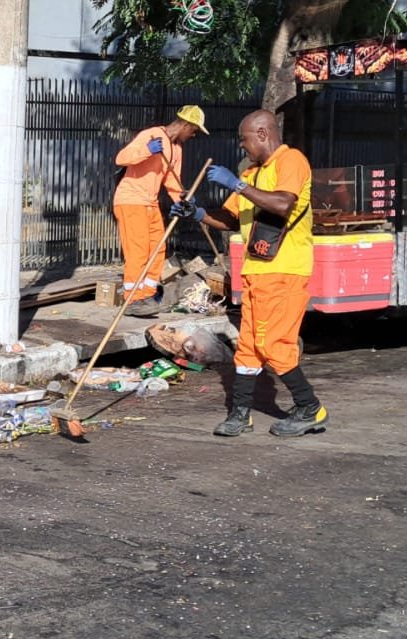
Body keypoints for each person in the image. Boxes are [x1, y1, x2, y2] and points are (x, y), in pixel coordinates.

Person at [170, 109, 328, 438]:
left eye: (244, 140)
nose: (242, 147)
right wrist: (196, 212)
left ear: (262, 134)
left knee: (274, 343)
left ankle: (310, 407)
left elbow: (283, 204)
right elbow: (229, 219)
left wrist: (238, 184)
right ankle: (241, 414)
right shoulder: (253, 173)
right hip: (256, 272)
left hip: (285, 270)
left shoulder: (291, 161)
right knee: (249, 347)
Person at [113, 105, 209, 316]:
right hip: (131, 200)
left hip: (150, 202)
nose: (193, 135)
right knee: (137, 252)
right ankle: (132, 299)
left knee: (158, 249)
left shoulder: (176, 149)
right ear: (186, 125)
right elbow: (121, 158)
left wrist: (183, 200)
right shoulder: (151, 135)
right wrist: (146, 150)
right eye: (194, 130)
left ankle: (147, 294)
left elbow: (173, 182)